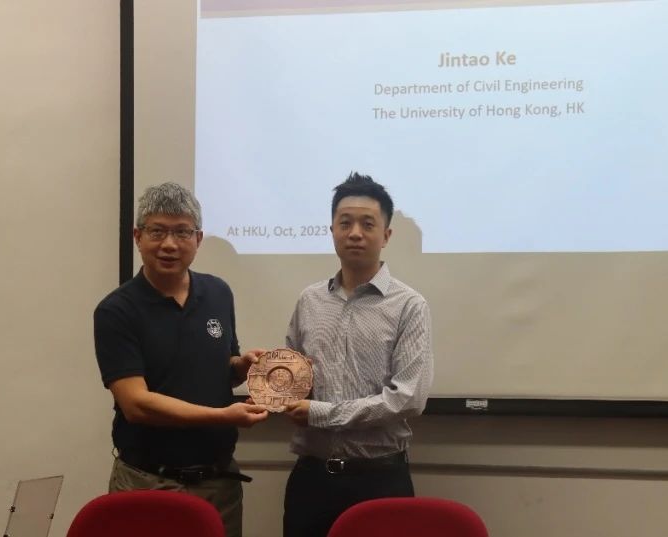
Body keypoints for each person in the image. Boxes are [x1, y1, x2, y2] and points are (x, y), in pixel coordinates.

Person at [93, 182, 269, 537]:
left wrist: (241, 366)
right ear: (137, 237)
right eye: (157, 231)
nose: (169, 244)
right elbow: (136, 404)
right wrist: (223, 416)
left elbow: (218, 366)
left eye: (182, 232)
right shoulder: (116, 311)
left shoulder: (218, 292)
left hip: (219, 485)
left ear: (198, 239)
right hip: (148, 483)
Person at [282, 172, 434, 537]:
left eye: (368, 224)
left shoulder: (409, 305)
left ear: (386, 235)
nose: (355, 233)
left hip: (379, 480)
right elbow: (291, 376)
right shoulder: (309, 301)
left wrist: (320, 413)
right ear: (331, 230)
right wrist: (273, 381)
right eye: (345, 223)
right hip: (311, 480)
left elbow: (407, 399)